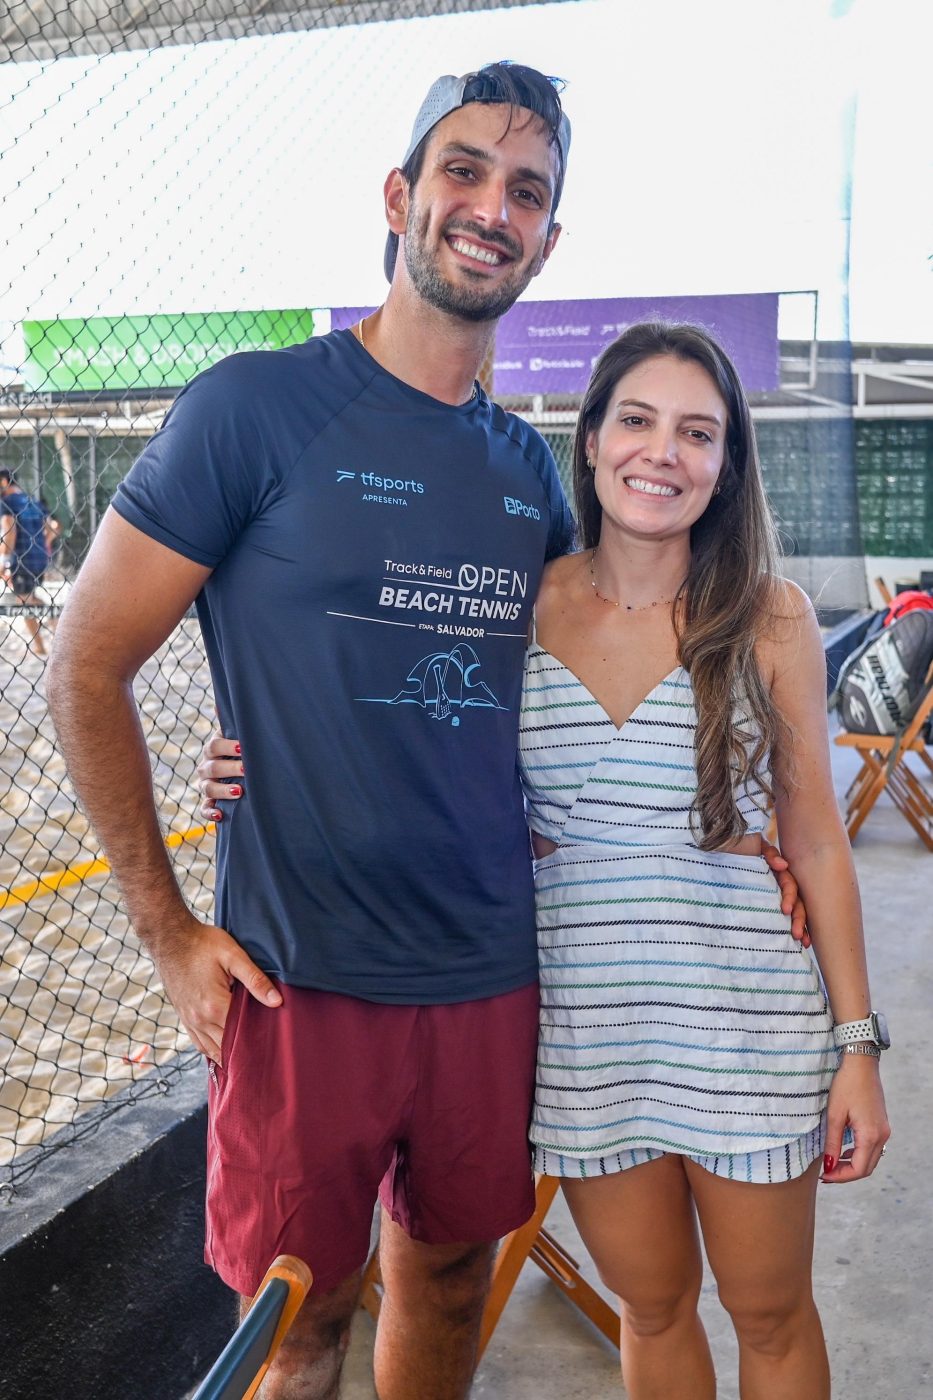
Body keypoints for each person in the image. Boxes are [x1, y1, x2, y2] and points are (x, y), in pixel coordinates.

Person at [49, 66, 802, 1400]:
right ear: (401, 196)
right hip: (301, 975)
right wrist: (169, 930)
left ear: (548, 241)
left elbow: (613, 682)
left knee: (450, 1280)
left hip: (490, 972)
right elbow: (86, 661)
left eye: (526, 191)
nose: (490, 207)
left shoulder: (529, 477)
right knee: (301, 1322)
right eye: (463, 172)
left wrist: (755, 831)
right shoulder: (256, 409)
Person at [518, 322, 888, 1398]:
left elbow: (816, 834)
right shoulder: (522, 606)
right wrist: (250, 756)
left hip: (746, 1027)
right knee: (652, 1304)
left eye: (698, 432)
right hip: (593, 1037)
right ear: (590, 440)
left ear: (725, 466)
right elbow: (419, 751)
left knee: (770, 1314)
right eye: (636, 419)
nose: (662, 452)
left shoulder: (769, 616)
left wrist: (856, 1043)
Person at [0, 470, 54, 656]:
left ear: (4, 482)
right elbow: (52, 528)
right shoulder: (33, 501)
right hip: (39, 558)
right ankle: (57, 620)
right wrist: (42, 546)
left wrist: (4, 560)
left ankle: (40, 645)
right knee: (29, 598)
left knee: (23, 601)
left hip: (21, 558)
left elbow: (10, 530)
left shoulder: (6, 503)